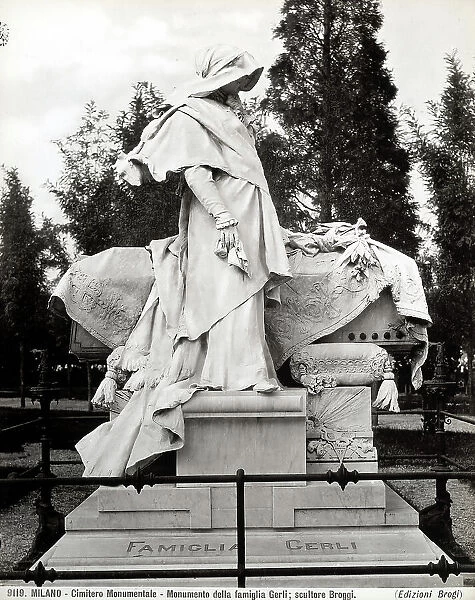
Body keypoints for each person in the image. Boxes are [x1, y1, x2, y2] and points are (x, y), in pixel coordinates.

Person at [75, 45, 293, 477]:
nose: (242, 86)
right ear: (220, 75)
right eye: (238, 76)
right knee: (224, 296)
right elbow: (196, 173)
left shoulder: (228, 118)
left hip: (243, 220)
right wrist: (223, 216)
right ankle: (226, 374)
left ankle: (248, 370)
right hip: (220, 222)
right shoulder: (192, 114)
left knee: (245, 297)